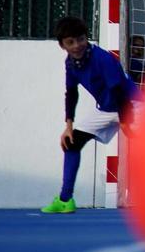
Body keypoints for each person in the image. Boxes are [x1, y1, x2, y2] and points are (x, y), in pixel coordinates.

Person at [45, 16, 139, 214]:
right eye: (70, 42)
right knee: (71, 142)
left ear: (86, 38)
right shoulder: (70, 64)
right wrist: (68, 125)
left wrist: (125, 122)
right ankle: (65, 200)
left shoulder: (102, 58)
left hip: (132, 105)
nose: (77, 45)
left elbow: (117, 90)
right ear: (62, 45)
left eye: (80, 39)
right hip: (107, 109)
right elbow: (71, 93)